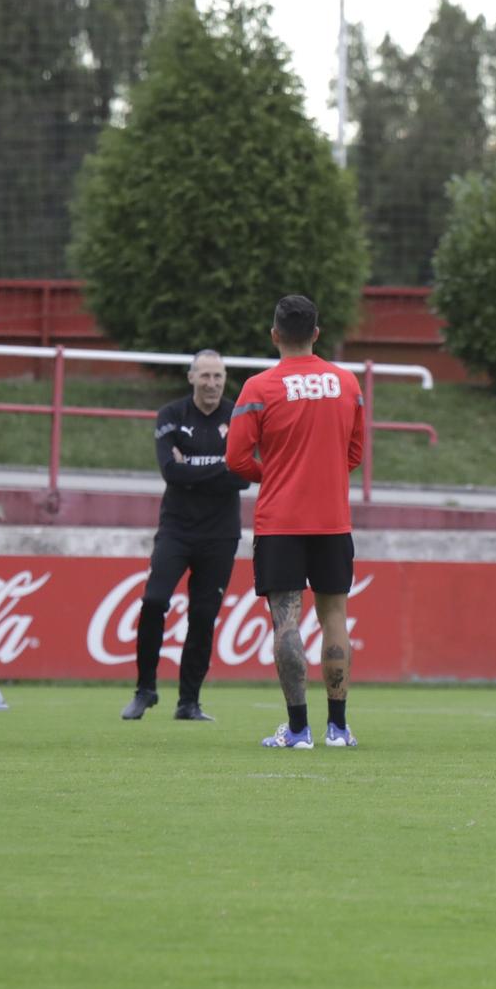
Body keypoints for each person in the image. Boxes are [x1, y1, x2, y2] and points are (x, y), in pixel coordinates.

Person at [226, 296, 365, 750]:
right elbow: (356, 453)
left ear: (274, 335)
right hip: (332, 521)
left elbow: (236, 458)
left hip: (281, 522)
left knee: (285, 622)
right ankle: (339, 728)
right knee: (335, 618)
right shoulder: (347, 384)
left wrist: (279, 474)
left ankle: (299, 730)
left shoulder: (258, 388)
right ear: (317, 334)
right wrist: (320, 473)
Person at [122, 349, 250, 722]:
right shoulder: (171, 415)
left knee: (203, 615)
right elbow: (170, 473)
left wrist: (195, 470)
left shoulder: (237, 415)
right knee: (154, 601)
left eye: (218, 377)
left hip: (221, 534)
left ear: (225, 380)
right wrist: (221, 468)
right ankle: (145, 690)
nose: (212, 384)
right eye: (205, 376)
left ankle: (189, 702)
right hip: (176, 529)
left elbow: (243, 476)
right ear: (191, 378)